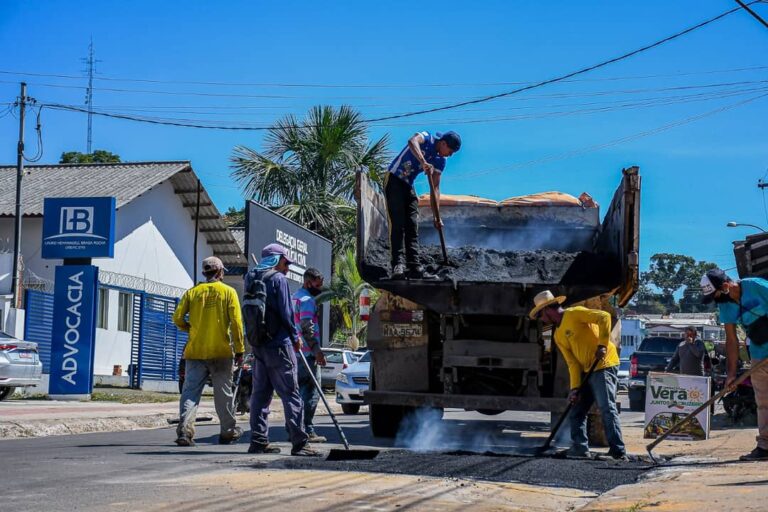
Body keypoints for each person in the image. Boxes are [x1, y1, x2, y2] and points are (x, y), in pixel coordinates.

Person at [530, 290, 627, 459]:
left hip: (604, 364)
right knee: (577, 409)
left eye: (540, 315)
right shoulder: (558, 335)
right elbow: (572, 363)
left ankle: (618, 452)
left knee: (606, 408)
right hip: (586, 369)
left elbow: (604, 317)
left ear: (547, 310)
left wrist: (602, 345)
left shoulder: (574, 313)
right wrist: (574, 388)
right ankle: (580, 448)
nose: (541, 319)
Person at [247, 243, 319, 457]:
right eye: (286, 263)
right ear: (277, 259)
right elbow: (287, 314)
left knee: (260, 395)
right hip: (279, 345)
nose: (287, 268)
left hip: (258, 345)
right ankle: (300, 443)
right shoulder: (278, 279)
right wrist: (296, 338)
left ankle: (258, 441)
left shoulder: (250, 277)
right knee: (291, 394)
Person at [172, 256, 244, 447]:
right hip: (221, 352)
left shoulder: (193, 292)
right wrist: (239, 350)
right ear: (220, 272)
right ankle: (227, 432)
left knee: (190, 392)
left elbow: (177, 318)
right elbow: (236, 324)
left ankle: (185, 432)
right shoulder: (228, 292)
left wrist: (190, 328)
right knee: (223, 394)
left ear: (204, 272)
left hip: (195, 351)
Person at [701, 268, 768, 461]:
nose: (716, 300)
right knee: (763, 402)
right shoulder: (725, 305)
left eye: (716, 295)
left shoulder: (756, 286)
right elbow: (731, 340)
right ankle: (765, 446)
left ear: (725, 286)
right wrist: (731, 375)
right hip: (758, 354)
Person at [385, 130, 461, 279]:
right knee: (398, 223)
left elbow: (435, 188)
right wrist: (423, 161)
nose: (450, 155)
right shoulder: (427, 138)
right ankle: (397, 265)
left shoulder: (440, 161)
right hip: (394, 179)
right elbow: (412, 141)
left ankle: (414, 266)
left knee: (412, 225)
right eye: (450, 151)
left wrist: (436, 216)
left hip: (408, 185)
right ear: (443, 143)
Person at [292, 267, 328, 443]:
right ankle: (307, 429)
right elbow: (307, 328)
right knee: (312, 394)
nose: (319, 289)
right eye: (317, 285)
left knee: (297, 393)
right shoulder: (307, 300)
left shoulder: (293, 297)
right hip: (307, 355)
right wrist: (317, 351)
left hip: (295, 354)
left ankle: (294, 428)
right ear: (308, 283)